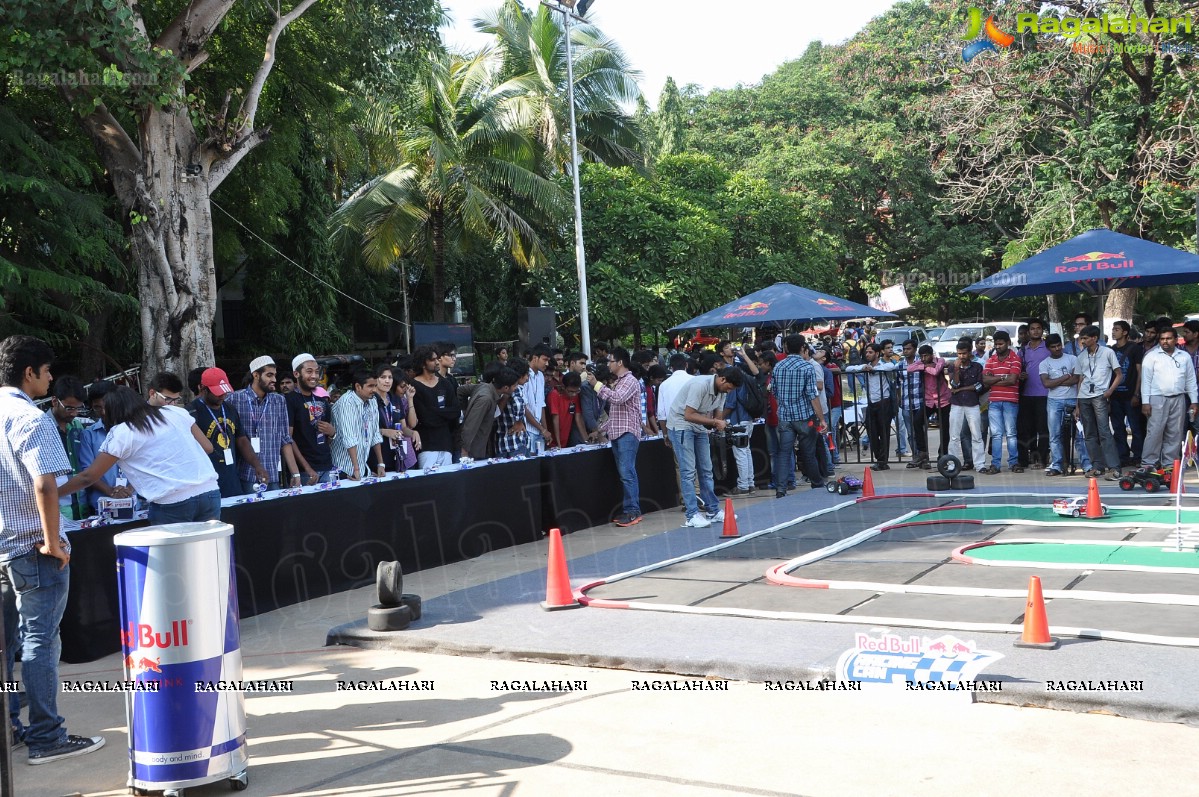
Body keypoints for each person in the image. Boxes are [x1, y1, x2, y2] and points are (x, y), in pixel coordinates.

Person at [0, 335, 105, 764]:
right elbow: (45, 483)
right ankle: (46, 737)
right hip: (31, 548)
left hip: (3, 546)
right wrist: (51, 540)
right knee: (40, 642)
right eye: (46, 373)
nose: (49, 381)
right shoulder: (30, 417)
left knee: (9, 645)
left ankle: (13, 727)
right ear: (30, 373)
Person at [62, 385, 218, 523]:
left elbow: (88, 477)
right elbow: (207, 447)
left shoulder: (122, 432)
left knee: (173, 556)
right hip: (209, 492)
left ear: (114, 411)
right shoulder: (174, 412)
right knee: (208, 553)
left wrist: (55, 493)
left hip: (171, 502)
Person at [666, 365, 744, 527]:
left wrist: (718, 423)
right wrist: (715, 422)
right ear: (722, 379)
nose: (729, 391)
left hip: (698, 426)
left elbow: (718, 413)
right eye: (729, 387)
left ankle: (713, 510)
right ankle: (692, 515)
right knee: (688, 471)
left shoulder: (721, 390)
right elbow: (688, 415)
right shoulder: (699, 385)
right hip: (680, 425)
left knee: (706, 470)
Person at [585, 348, 643, 527]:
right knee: (625, 473)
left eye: (610, 361)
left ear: (620, 363)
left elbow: (617, 399)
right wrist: (600, 431)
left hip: (627, 434)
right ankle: (629, 509)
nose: (608, 364)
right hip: (619, 433)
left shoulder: (630, 381)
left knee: (627, 473)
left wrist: (596, 384)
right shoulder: (620, 381)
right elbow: (616, 415)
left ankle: (633, 511)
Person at [226, 356, 299, 492]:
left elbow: (285, 439)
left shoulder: (279, 401)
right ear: (256, 375)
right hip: (245, 475)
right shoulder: (234, 399)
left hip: (272, 475)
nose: (274, 380)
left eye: (275, 375)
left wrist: (295, 472)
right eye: (269, 375)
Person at [190, 367, 266, 497]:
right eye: (217, 392)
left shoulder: (229, 409)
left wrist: (257, 465)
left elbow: (241, 440)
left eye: (224, 391)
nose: (222, 395)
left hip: (231, 481)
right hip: (206, 484)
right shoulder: (192, 412)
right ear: (203, 389)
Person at [772, 335, 828, 495]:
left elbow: (774, 391)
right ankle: (817, 484)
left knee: (784, 452)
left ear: (786, 348)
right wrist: (821, 419)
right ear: (803, 348)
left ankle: (781, 489)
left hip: (784, 416)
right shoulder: (807, 367)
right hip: (804, 417)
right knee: (808, 452)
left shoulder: (778, 366)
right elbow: (812, 395)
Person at [1139, 327, 1198, 470]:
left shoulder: (1183, 356)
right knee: (1155, 432)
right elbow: (1145, 381)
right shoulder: (1151, 356)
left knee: (1175, 433)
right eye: (1162, 339)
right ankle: (1148, 463)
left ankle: (1170, 465)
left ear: (1176, 340)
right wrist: (1145, 402)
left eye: (1168, 338)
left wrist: (1194, 401)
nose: (1165, 341)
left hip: (1178, 398)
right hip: (1157, 398)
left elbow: (1190, 380)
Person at [1074, 324, 1123, 479]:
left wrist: (1109, 391)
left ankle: (1114, 467)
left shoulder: (1108, 352)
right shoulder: (1081, 356)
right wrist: (1077, 404)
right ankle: (1097, 466)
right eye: (1081, 338)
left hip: (1100, 396)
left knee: (1104, 432)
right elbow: (1080, 379)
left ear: (1094, 338)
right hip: (1084, 397)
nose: (1082, 341)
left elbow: (1119, 374)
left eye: (1085, 338)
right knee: (1088, 433)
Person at [77, 380, 133, 514]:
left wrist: (129, 490)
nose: (103, 412)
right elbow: (87, 471)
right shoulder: (88, 435)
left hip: (134, 501)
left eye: (107, 406)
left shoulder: (132, 431)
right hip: (102, 506)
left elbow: (144, 463)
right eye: (97, 407)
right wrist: (111, 492)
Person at [844, 343, 900, 471]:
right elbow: (848, 369)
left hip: (884, 402)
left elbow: (891, 366)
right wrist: (863, 368)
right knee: (872, 432)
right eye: (866, 352)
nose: (867, 354)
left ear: (877, 353)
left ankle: (882, 461)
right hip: (871, 403)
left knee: (884, 432)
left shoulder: (884, 364)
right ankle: (879, 458)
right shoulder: (865, 366)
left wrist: (875, 370)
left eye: (870, 352)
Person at [286, 354, 337, 484]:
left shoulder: (322, 400)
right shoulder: (289, 400)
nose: (314, 376)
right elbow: (288, 438)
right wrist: (307, 468)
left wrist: (332, 433)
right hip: (305, 472)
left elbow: (328, 438)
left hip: (327, 466)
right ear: (296, 373)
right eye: (309, 371)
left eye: (316, 371)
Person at [410, 346, 460, 469]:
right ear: (423, 363)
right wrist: (443, 413)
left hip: (446, 443)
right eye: (433, 360)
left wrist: (433, 411)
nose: (437, 362)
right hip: (426, 445)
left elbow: (455, 411)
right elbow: (424, 417)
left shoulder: (445, 383)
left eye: (437, 359)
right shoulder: (413, 385)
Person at [330, 369, 385, 480]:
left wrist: (381, 464)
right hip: (343, 468)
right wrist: (356, 469)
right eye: (370, 386)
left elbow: (375, 434)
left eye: (375, 386)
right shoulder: (347, 402)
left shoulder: (372, 400)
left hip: (362, 466)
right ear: (358, 387)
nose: (374, 390)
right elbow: (349, 437)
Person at [980, 331, 1021, 475]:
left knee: (1011, 433)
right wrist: (1003, 376)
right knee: (996, 434)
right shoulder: (991, 359)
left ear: (1008, 343)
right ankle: (995, 464)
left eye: (1001, 344)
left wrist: (995, 378)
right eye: (996, 344)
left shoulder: (1015, 359)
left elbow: (1012, 380)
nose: (998, 346)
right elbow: (985, 380)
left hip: (1010, 400)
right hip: (994, 401)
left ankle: (1014, 462)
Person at [1039, 333, 1080, 477]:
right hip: (1053, 401)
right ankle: (1057, 464)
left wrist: (1055, 381)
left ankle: (1086, 464)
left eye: (1059, 345)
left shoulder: (1073, 359)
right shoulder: (1044, 363)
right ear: (1048, 348)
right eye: (1053, 347)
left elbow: (1076, 379)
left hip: (1072, 399)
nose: (1057, 349)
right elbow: (1046, 384)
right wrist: (1064, 377)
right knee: (1054, 435)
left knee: (1078, 434)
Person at [48, 375, 88, 519]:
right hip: (56, 508)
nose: (74, 413)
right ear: (54, 401)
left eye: (78, 408)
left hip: (81, 506)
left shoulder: (77, 427)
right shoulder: (42, 428)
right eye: (69, 408)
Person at [946, 337, 986, 471]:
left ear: (970, 353)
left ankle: (980, 465)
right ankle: (952, 465)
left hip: (972, 404)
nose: (961, 356)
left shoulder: (977, 367)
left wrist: (961, 389)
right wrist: (957, 370)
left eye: (964, 353)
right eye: (959, 353)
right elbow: (954, 384)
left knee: (976, 435)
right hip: (957, 404)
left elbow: (979, 386)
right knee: (954, 436)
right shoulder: (953, 366)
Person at [1108, 320, 1144, 467]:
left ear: (1125, 332)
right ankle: (1122, 456)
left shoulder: (1134, 348)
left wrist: (1136, 394)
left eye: (1116, 329)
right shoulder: (1110, 350)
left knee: (1135, 428)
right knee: (1118, 428)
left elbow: (1139, 372)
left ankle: (1138, 456)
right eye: (1113, 329)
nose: (1113, 331)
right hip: (1115, 396)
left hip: (1130, 395)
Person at [462, 366, 519, 458]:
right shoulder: (486, 399)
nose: (517, 388)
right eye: (515, 385)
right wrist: (464, 452)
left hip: (479, 447)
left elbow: (461, 390)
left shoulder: (486, 388)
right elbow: (470, 426)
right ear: (505, 388)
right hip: (472, 451)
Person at [1017, 319, 1051, 469]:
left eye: (1038, 328)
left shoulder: (1049, 347)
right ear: (1028, 331)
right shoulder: (1023, 350)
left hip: (1045, 393)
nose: (1035, 331)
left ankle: (1042, 458)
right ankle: (1031, 456)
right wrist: (1020, 375)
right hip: (1026, 394)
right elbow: (1017, 369)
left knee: (1043, 428)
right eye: (1032, 329)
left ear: (1042, 330)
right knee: (1027, 429)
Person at [912, 344, 952, 463]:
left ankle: (943, 455)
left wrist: (923, 367)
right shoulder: (920, 362)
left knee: (945, 428)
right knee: (917, 421)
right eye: (921, 356)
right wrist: (924, 366)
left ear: (931, 355)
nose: (923, 358)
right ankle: (923, 451)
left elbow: (936, 371)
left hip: (943, 399)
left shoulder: (940, 360)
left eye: (926, 356)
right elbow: (910, 368)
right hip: (929, 400)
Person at [898, 339, 927, 469]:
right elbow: (898, 384)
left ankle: (924, 458)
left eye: (908, 349)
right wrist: (899, 400)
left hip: (920, 402)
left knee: (921, 432)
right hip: (906, 403)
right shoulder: (900, 365)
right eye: (904, 349)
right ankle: (916, 457)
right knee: (911, 433)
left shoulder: (921, 363)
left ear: (915, 349)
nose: (905, 351)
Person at [521, 344, 552, 454]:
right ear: (535, 358)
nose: (547, 364)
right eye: (545, 360)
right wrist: (542, 429)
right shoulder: (523, 375)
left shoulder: (541, 376)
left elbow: (541, 405)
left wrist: (545, 430)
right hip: (527, 430)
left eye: (548, 360)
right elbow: (523, 407)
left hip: (540, 431)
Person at [547, 371, 587, 448]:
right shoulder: (555, 394)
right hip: (552, 440)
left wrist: (586, 441)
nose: (574, 394)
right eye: (571, 391)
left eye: (577, 391)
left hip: (565, 439)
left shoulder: (575, 396)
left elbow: (578, 418)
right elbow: (555, 419)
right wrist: (558, 444)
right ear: (563, 386)